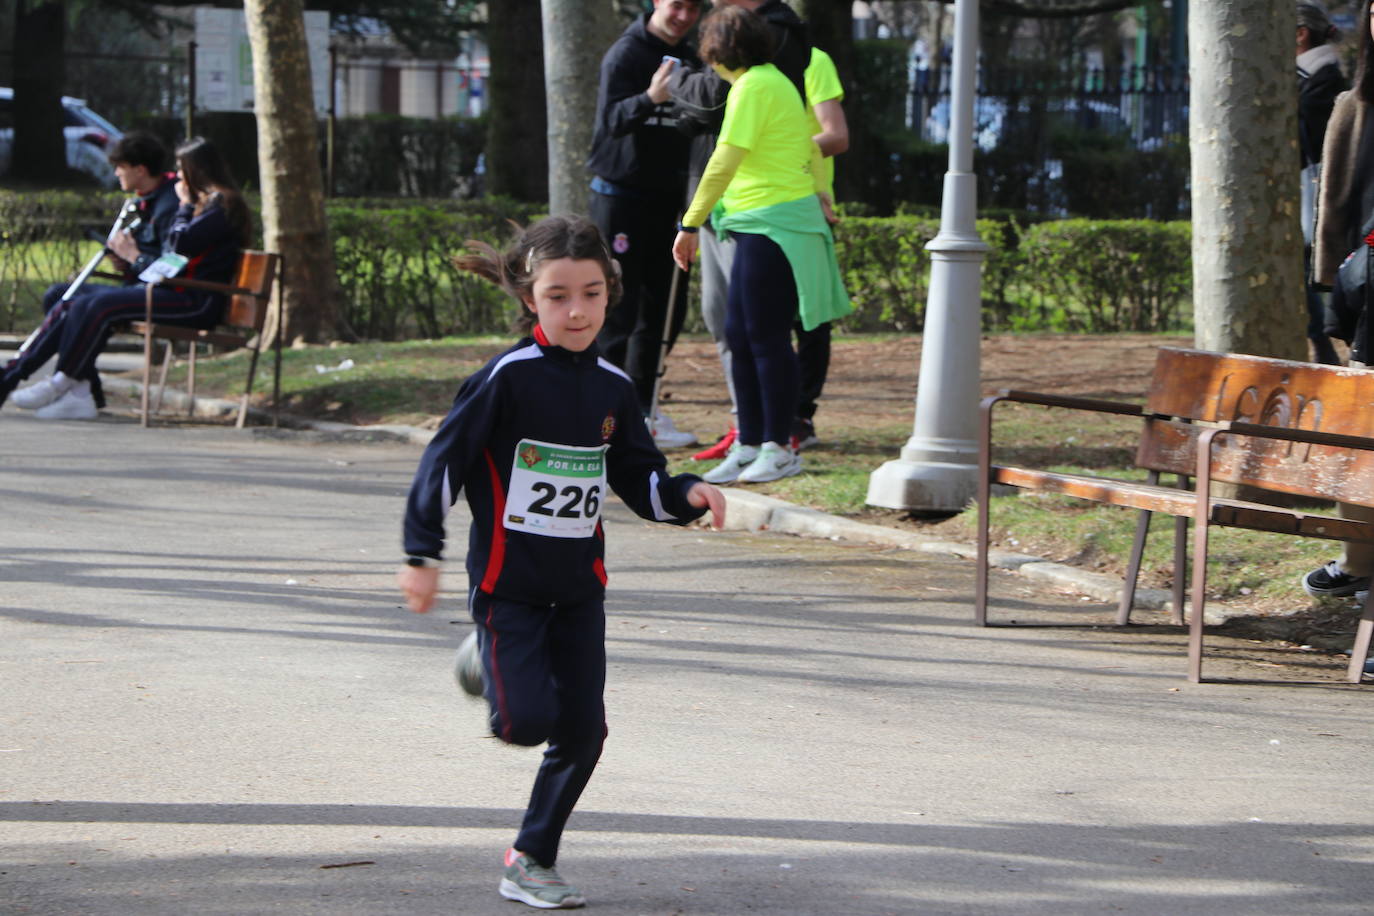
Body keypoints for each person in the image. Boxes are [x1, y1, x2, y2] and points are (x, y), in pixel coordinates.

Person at [397, 215, 725, 910]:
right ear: (529, 298)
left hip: (579, 591)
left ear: (609, 294)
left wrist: (687, 496)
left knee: (584, 731)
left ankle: (531, 857)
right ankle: (484, 659)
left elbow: (641, 480)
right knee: (524, 723)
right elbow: (443, 463)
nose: (577, 310)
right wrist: (421, 550)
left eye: (591, 293)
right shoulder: (505, 379)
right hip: (508, 588)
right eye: (557, 296)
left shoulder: (613, 387)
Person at [671, 5, 850, 485]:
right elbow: (803, 146)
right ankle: (751, 443)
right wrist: (819, 187)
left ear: (719, 49)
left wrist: (690, 223)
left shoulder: (754, 87)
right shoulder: (769, 83)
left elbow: (724, 158)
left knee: (765, 336)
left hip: (775, 223)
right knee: (743, 332)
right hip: (757, 221)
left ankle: (778, 446)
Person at [1, 137, 249, 419]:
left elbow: (179, 246)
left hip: (194, 299)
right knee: (73, 299)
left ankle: (62, 382)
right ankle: (74, 389)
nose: (178, 177)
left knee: (96, 305)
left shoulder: (220, 206)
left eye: (182, 170)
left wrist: (182, 208)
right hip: (174, 290)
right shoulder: (206, 204)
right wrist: (132, 262)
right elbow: (173, 255)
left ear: (198, 171)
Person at [586, 0, 704, 450]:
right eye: (676, 5)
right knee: (619, 306)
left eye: (693, 8)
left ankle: (643, 408)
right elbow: (609, 123)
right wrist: (651, 98)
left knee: (663, 312)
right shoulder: (626, 54)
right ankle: (603, 411)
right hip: (620, 200)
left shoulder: (694, 58)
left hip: (668, 204)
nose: (683, 16)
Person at [0, 131, 179, 411]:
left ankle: (24, 376)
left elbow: (167, 263)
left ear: (140, 169)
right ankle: (84, 385)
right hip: (139, 285)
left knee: (85, 303)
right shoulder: (146, 200)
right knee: (58, 295)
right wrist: (125, 260)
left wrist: (134, 256)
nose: (117, 173)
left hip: (164, 292)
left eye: (121, 167)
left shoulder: (169, 204)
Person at [1304, 0, 1374, 614]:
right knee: (1364, 440)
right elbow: (1336, 207)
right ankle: (1359, 565)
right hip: (1371, 301)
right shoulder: (1355, 105)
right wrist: (1338, 283)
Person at [1298, 1, 1345, 365]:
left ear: (1301, 34)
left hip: (1314, 190)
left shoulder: (1324, 78)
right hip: (1305, 189)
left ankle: (1323, 340)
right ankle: (1321, 340)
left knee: (1306, 270)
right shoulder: (1307, 76)